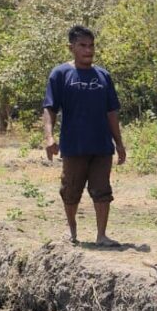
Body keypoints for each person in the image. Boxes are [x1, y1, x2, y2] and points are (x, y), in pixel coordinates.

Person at [42, 25, 127, 247]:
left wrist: (119, 143)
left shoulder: (103, 76)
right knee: (70, 190)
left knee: (102, 191)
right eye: (82, 45)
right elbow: (50, 108)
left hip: (101, 146)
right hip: (74, 146)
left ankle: (102, 235)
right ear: (71, 48)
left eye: (91, 46)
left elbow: (111, 112)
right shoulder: (60, 74)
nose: (88, 50)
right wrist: (49, 137)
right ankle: (72, 232)